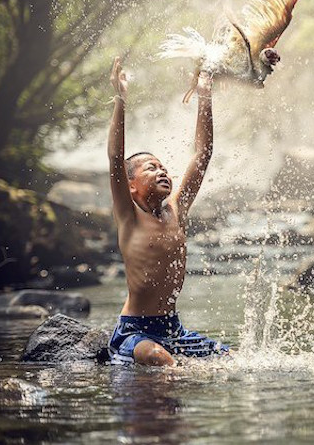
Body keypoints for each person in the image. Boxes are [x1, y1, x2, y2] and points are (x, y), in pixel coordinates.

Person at [106, 57, 228, 366]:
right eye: (151, 168)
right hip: (135, 331)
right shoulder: (129, 217)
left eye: (163, 167)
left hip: (173, 328)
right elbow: (115, 156)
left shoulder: (177, 209)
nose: (163, 172)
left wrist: (204, 93)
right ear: (130, 184)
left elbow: (203, 153)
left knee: (229, 359)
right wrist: (120, 99)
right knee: (160, 359)